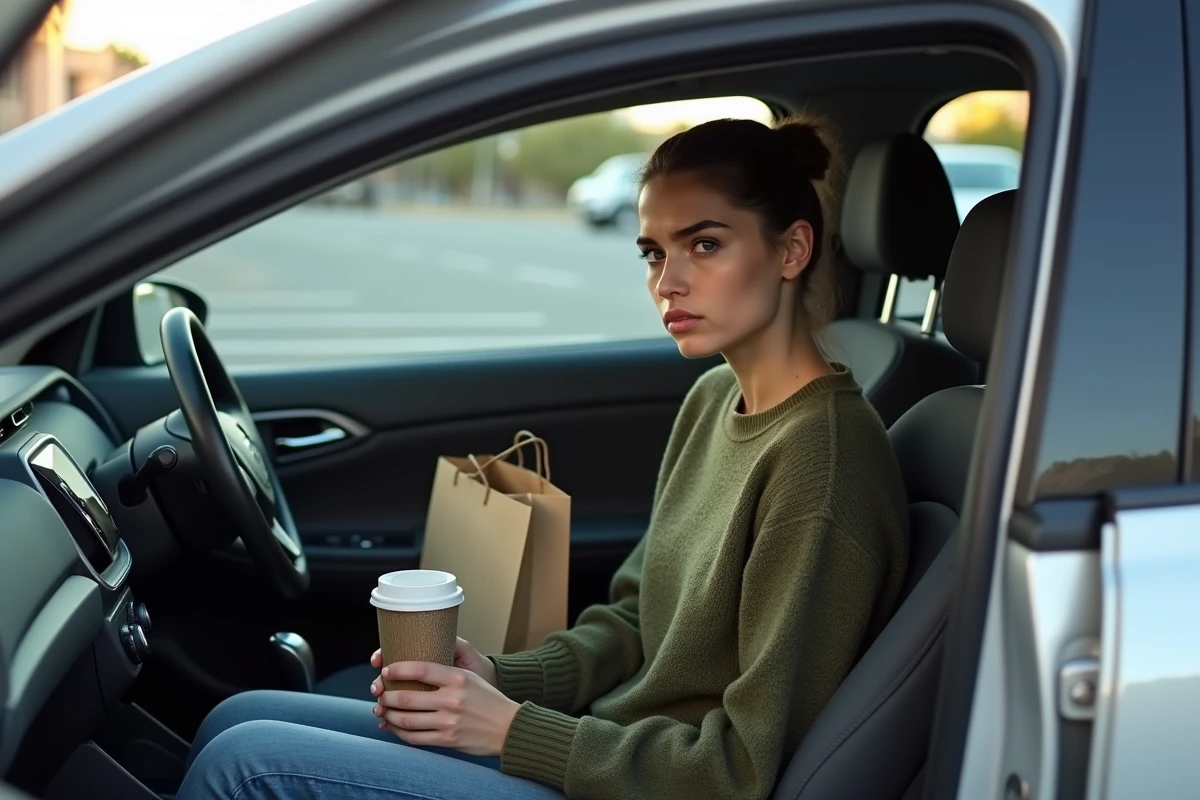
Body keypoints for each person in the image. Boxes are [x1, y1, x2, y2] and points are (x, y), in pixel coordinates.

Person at [175, 115, 910, 800]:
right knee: (236, 717)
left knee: (244, 763)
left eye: (705, 245)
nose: (667, 282)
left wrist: (512, 731)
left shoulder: (823, 466)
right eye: (654, 253)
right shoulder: (716, 397)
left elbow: (740, 769)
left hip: (653, 783)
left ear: (792, 250)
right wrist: (501, 676)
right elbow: (635, 620)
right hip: (604, 750)